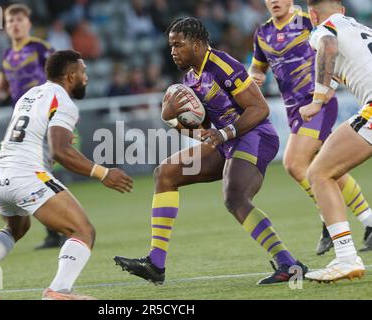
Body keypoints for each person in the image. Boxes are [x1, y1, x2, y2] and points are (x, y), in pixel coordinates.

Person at [114, 17, 307, 285]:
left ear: (197, 43)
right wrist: (172, 119)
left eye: (178, 45)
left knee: (235, 197)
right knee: (165, 173)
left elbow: (259, 109)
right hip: (226, 141)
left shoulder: (223, 66)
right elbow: (202, 131)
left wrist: (223, 133)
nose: (173, 51)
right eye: (171, 46)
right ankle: (156, 264)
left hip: (255, 136)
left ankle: (289, 264)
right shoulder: (190, 79)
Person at [0, 50, 134, 300]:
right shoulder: (63, 101)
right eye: (83, 72)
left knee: (17, 227)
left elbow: (37, 140)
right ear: (71, 75)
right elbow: (61, 151)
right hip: (26, 175)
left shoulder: (29, 95)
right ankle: (59, 290)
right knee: (83, 231)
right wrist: (104, 173)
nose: (86, 77)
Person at [248, 0, 372, 255]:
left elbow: (330, 48)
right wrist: (255, 77)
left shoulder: (310, 21)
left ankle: (329, 219)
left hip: (318, 102)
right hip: (294, 108)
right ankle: (368, 221)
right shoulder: (263, 33)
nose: (274, 1)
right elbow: (257, 68)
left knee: (294, 163)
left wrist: (319, 97)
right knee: (326, 165)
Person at [0, 3, 63, 250]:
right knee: (38, 172)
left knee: (40, 171)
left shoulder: (41, 48)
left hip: (43, 118)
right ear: (6, 26)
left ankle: (59, 228)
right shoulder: (7, 56)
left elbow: (60, 79)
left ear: (28, 23)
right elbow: (1, 89)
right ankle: (56, 229)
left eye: (20, 20)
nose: (15, 24)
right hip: (21, 121)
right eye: (11, 21)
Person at [299, 0, 372, 282]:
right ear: (342, 10)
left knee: (319, 173)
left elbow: (327, 45)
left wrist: (317, 100)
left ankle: (345, 258)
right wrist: (326, 90)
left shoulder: (323, 29)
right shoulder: (358, 27)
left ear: (312, 14)